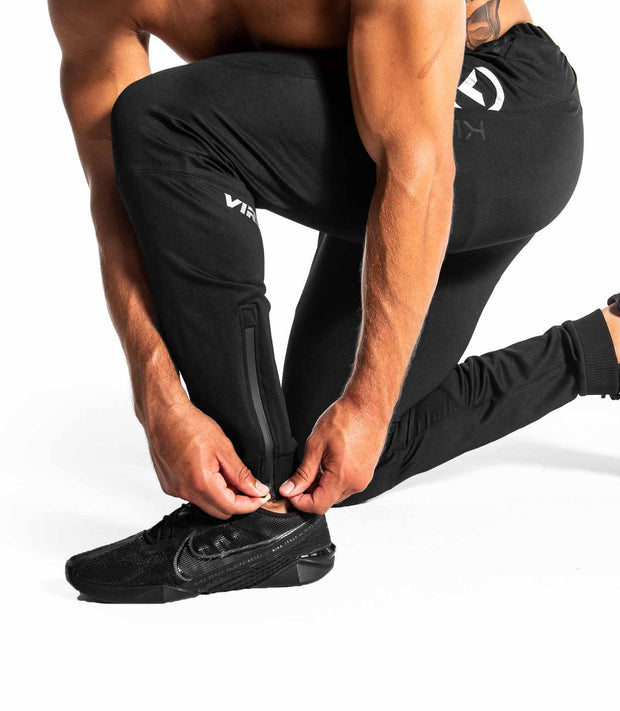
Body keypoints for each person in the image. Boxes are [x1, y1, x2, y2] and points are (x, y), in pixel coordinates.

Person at [50, 0, 620, 604]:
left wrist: (369, 403)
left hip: (505, 118)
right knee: (318, 464)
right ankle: (602, 348)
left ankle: (257, 522)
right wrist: (157, 396)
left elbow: (419, 166)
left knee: (165, 118)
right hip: (377, 119)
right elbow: (117, 193)